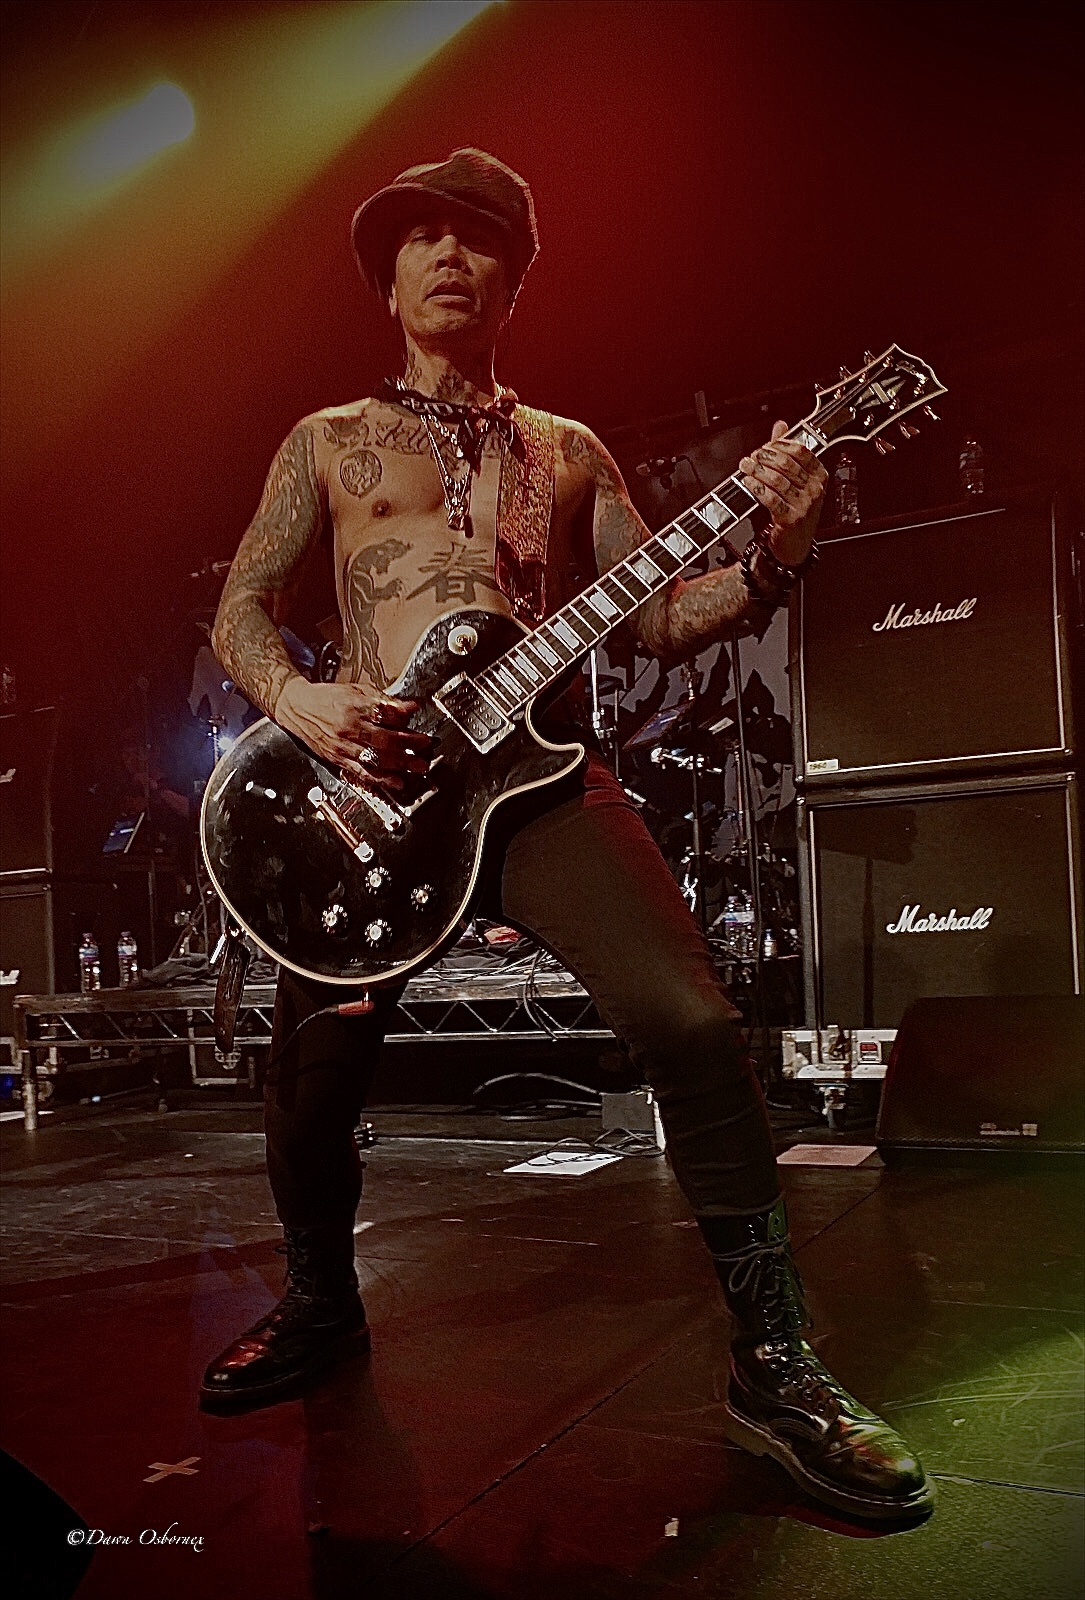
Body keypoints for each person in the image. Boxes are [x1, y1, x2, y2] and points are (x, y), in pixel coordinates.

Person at [203, 149, 932, 1522]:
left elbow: (656, 619)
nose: (447, 255)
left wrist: (776, 550)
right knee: (310, 1074)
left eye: (476, 238)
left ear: (511, 280)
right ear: (388, 281)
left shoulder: (569, 451)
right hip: (375, 798)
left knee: (693, 1025)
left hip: (539, 786)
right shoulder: (325, 440)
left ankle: (773, 1363)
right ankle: (320, 1304)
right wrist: (300, 698)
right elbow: (241, 607)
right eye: (420, 237)